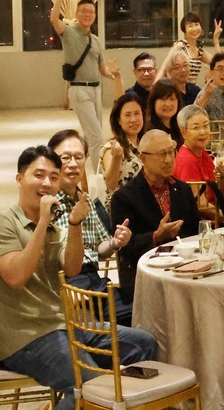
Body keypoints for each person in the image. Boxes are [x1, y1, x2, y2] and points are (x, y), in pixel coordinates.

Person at [0, 146, 157, 410]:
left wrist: (74, 224)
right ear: (19, 179)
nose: (47, 183)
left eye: (53, 177)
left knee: (143, 344)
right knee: (90, 389)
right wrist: (42, 223)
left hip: (67, 324)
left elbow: (72, 267)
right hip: (25, 336)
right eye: (38, 175)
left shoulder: (56, 226)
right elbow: (16, 277)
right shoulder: (6, 223)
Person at [48, 131, 134, 322]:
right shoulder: (48, 204)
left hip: (95, 281)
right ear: (51, 161)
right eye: (65, 158)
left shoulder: (85, 199)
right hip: (67, 286)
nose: (73, 164)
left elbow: (99, 249)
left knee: (144, 308)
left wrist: (115, 242)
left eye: (78, 157)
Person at [111, 129, 202, 302]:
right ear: (143, 158)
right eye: (161, 154)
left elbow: (196, 231)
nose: (168, 160)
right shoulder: (124, 197)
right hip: (146, 277)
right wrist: (156, 236)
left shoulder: (182, 189)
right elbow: (125, 247)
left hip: (187, 272)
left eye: (171, 152)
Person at [48, 0, 118, 174]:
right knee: (96, 137)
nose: (88, 15)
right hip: (79, 90)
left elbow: (101, 68)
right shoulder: (69, 32)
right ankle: (100, 177)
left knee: (92, 135)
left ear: (95, 15)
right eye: (84, 11)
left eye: (91, 12)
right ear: (77, 14)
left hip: (96, 90)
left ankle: (81, 171)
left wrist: (114, 75)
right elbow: (54, 18)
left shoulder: (95, 40)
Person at [172, 105, 224, 223]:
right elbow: (200, 205)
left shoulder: (201, 152)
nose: (203, 132)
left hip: (215, 213)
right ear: (183, 132)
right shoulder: (187, 161)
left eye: (206, 126)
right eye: (196, 128)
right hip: (203, 224)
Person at [158, 11, 221, 86]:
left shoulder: (199, 50)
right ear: (184, 30)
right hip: (178, 88)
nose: (194, 29)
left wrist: (216, 39)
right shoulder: (180, 46)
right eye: (190, 26)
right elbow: (164, 68)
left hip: (193, 90)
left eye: (196, 24)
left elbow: (219, 62)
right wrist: (153, 89)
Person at [102, 93, 146, 196]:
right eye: (127, 115)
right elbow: (111, 184)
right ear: (119, 120)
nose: (133, 119)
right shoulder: (111, 147)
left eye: (137, 113)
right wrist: (116, 158)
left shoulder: (146, 144)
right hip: (122, 203)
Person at [195, 51, 224, 127]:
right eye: (220, 69)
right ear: (212, 73)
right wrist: (206, 96)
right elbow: (194, 115)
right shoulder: (205, 94)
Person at [145, 80, 184, 147]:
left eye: (172, 99)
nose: (168, 104)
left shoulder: (181, 127)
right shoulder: (149, 131)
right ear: (153, 102)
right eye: (163, 99)